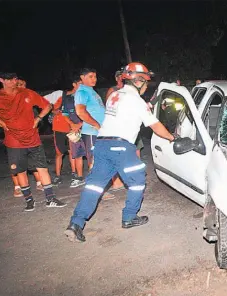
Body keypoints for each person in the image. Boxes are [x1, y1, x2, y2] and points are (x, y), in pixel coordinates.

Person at [64, 62, 175, 242]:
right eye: (145, 82)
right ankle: (129, 217)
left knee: (94, 186)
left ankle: (76, 223)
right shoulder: (136, 100)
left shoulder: (114, 95)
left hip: (101, 144)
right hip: (121, 147)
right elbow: (155, 125)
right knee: (137, 181)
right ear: (138, 82)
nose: (146, 86)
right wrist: (171, 138)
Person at [0, 71, 66, 211]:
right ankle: (29, 201)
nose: (13, 82)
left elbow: (47, 105)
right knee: (20, 171)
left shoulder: (26, 92)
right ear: (1, 80)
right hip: (13, 141)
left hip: (33, 138)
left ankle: (50, 198)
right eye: (9, 80)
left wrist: (39, 118)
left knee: (42, 168)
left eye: (15, 79)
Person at [12, 77, 43, 196]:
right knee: (16, 163)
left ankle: (40, 182)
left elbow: (37, 116)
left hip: (31, 136)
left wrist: (37, 124)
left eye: (24, 85)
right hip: (15, 138)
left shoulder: (28, 99)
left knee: (34, 160)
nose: (22, 87)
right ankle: (17, 187)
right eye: (20, 84)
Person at [51, 78, 81, 186]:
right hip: (59, 127)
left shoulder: (80, 97)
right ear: (74, 84)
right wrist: (54, 111)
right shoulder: (62, 96)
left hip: (72, 128)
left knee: (72, 151)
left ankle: (74, 173)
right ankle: (57, 176)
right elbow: (51, 108)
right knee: (59, 153)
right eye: (80, 84)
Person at [74, 68, 105, 170]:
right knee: (94, 161)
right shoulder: (82, 92)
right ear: (82, 77)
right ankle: (94, 183)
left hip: (99, 131)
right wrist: (96, 124)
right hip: (92, 132)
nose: (94, 79)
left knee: (102, 158)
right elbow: (80, 112)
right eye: (91, 77)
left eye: (95, 77)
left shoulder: (91, 91)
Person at [60, 76, 87, 188]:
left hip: (87, 129)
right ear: (74, 84)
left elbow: (92, 113)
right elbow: (64, 113)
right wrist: (72, 124)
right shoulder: (68, 98)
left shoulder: (86, 97)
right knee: (76, 154)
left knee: (91, 153)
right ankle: (79, 177)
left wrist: (80, 124)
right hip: (74, 130)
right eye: (80, 84)